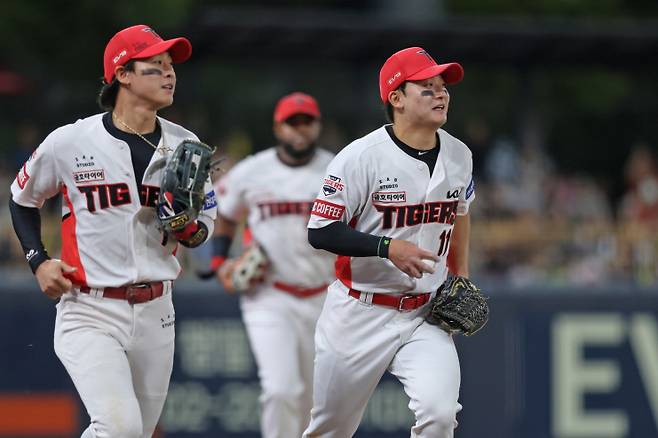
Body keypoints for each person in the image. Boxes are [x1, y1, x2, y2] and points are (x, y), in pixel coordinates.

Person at [8, 25, 216, 438]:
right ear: (122, 73)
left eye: (171, 66)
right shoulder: (69, 141)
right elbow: (22, 199)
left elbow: (201, 232)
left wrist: (186, 225)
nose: (169, 74)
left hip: (158, 309)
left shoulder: (185, 145)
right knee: (119, 428)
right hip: (90, 308)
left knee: (138, 432)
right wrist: (39, 261)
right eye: (155, 65)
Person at [303, 47, 475, 437]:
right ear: (396, 98)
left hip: (425, 314)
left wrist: (461, 272)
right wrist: (387, 247)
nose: (441, 94)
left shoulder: (460, 155)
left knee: (439, 415)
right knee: (330, 430)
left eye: (443, 86)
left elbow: (461, 211)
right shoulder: (361, 157)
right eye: (427, 88)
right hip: (359, 311)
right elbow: (320, 231)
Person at [210, 92, 335, 438]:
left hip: (325, 296)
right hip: (269, 295)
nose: (299, 129)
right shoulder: (253, 170)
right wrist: (220, 261)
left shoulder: (338, 168)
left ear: (317, 126)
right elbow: (224, 213)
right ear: (278, 128)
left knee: (317, 401)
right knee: (281, 390)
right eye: (291, 122)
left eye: (306, 121)